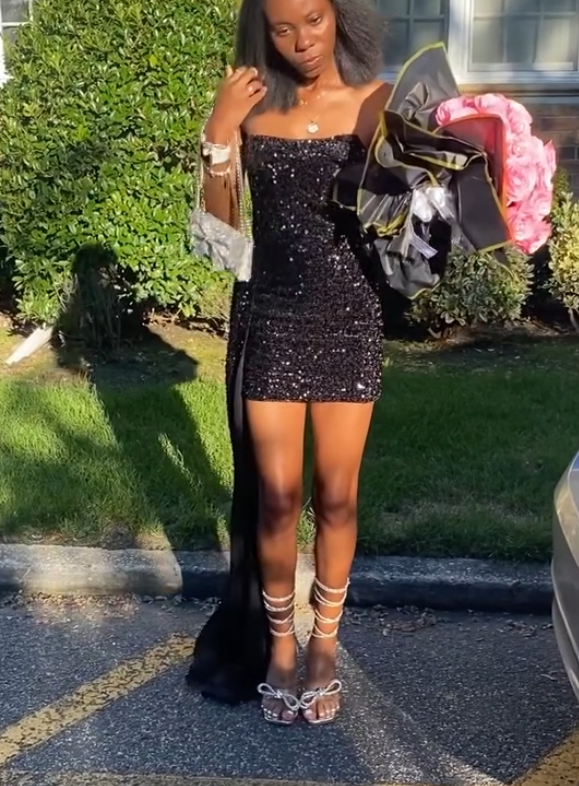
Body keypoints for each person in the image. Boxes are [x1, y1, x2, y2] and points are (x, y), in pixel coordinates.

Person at [188, 0, 390, 726]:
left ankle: (324, 647)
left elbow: (411, 220)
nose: (301, 40)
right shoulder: (249, 109)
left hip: (349, 319)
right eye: (282, 28)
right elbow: (218, 242)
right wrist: (218, 134)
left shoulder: (375, 101)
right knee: (276, 499)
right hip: (271, 317)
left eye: (313, 19)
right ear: (263, 35)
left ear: (339, 17)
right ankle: (280, 647)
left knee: (336, 498)